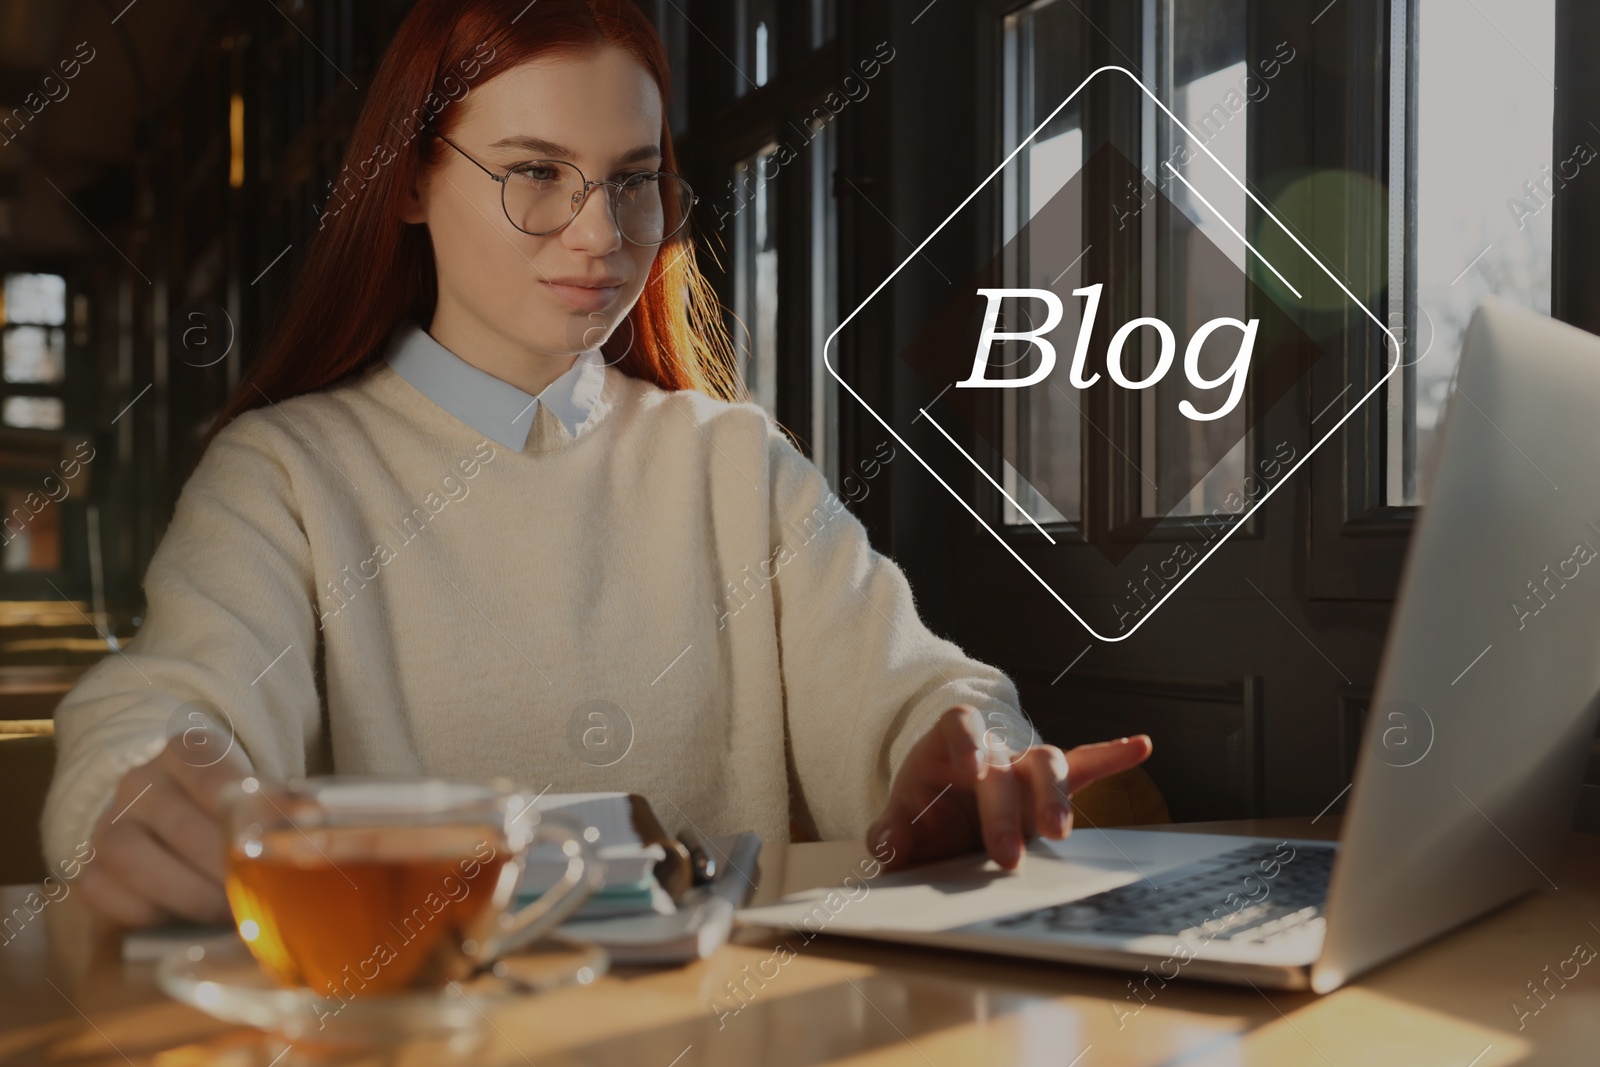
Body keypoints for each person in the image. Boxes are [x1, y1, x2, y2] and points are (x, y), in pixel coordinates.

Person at [40, 0, 1152, 929]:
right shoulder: (283, 472)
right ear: (408, 182)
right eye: (536, 172)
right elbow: (172, 701)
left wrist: (969, 752)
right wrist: (139, 785)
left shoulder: (735, 464)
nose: (600, 235)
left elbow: (917, 693)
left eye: (632, 180)